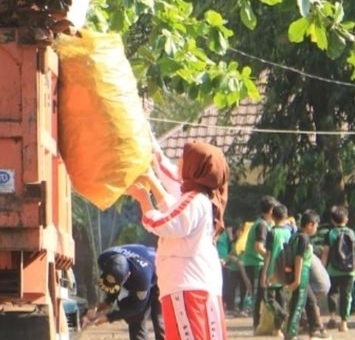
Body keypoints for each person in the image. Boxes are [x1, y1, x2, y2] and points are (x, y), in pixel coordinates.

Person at [127, 140, 229, 340]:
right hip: (195, 284)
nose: (180, 162)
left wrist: (144, 200)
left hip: (187, 286)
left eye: (184, 159)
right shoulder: (200, 199)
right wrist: (151, 181)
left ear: (195, 167)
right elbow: (174, 210)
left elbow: (167, 224)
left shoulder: (194, 199)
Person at [80, 244, 165, 340]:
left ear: (128, 276)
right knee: (135, 320)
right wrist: (108, 302)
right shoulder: (104, 258)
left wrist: (109, 317)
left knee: (157, 318)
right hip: (143, 264)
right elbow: (115, 279)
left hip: (163, 271)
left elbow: (138, 308)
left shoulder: (142, 278)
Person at [280, 210, 329, 340]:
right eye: (316, 226)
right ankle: (291, 334)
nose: (316, 229)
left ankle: (315, 329)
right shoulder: (304, 238)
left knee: (311, 301)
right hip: (302, 273)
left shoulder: (295, 236)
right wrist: (297, 279)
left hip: (296, 273)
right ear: (309, 225)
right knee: (298, 304)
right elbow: (299, 258)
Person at [242, 196, 278, 328]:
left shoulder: (264, 223)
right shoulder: (262, 225)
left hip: (256, 263)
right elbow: (258, 247)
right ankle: (257, 323)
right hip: (256, 263)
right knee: (260, 294)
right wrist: (270, 258)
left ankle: (260, 322)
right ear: (271, 210)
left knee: (262, 294)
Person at [320, 205, 355, 332]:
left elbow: (325, 253)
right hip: (349, 270)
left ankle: (332, 316)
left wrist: (322, 268)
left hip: (333, 269)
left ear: (332, 220)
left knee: (333, 293)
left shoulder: (330, 234)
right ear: (346, 219)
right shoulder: (352, 233)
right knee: (346, 295)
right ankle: (344, 322)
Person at [261, 203, 293, 334]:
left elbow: (268, 254)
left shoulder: (271, 233)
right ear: (285, 217)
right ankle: (277, 329)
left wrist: (264, 273)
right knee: (281, 299)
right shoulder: (289, 232)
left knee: (268, 298)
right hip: (285, 270)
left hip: (272, 270)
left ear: (272, 217)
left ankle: (281, 313)